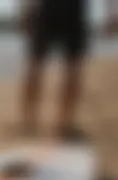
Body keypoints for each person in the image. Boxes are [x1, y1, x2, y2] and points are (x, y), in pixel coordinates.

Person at [19, 0, 118, 141]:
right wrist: (111, 14)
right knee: (44, 67)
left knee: (48, 66)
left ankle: (42, 122)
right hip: (62, 9)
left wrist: (25, 10)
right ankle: (50, 123)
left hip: (60, 9)